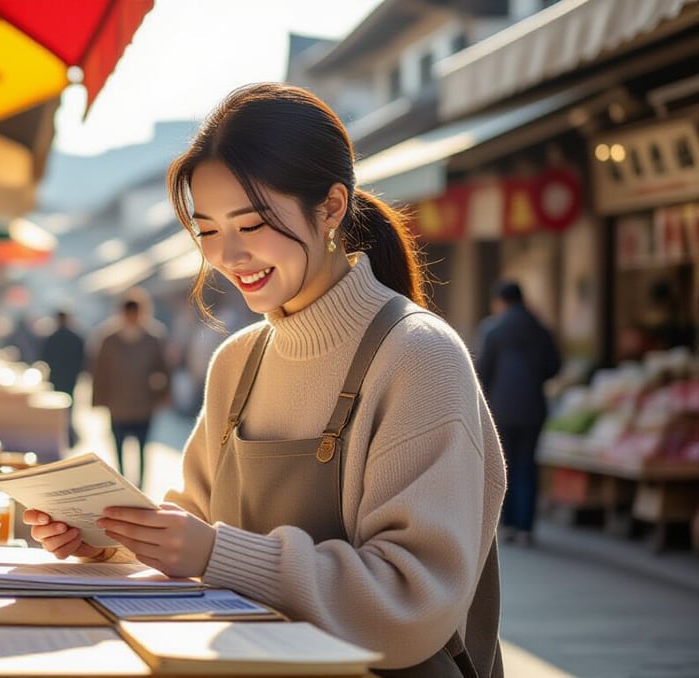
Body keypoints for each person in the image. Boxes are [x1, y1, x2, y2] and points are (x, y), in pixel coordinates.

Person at [25, 83, 506, 677]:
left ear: (331, 207)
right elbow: (196, 527)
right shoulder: (237, 361)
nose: (227, 256)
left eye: (250, 225)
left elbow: (411, 601)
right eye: (206, 231)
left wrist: (213, 552)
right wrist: (112, 539)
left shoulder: (418, 356)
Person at [475, 280, 560, 548]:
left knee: (504, 465)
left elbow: (482, 370)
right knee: (527, 465)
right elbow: (554, 367)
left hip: (501, 408)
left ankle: (507, 524)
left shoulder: (493, 330)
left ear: (500, 301)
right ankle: (526, 527)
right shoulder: (541, 330)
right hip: (533, 408)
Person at [89, 293, 171, 488]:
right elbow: (99, 371)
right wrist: (97, 399)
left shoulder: (153, 338)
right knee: (118, 447)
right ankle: (123, 483)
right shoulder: (108, 339)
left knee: (143, 448)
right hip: (117, 405)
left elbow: (164, 369)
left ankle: (141, 485)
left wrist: (163, 395)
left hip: (143, 403)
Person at [39, 309, 87, 447]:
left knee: (60, 409)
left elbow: (44, 357)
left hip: (58, 377)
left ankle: (65, 435)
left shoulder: (52, 337)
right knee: (69, 408)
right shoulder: (74, 337)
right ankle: (67, 436)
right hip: (69, 377)